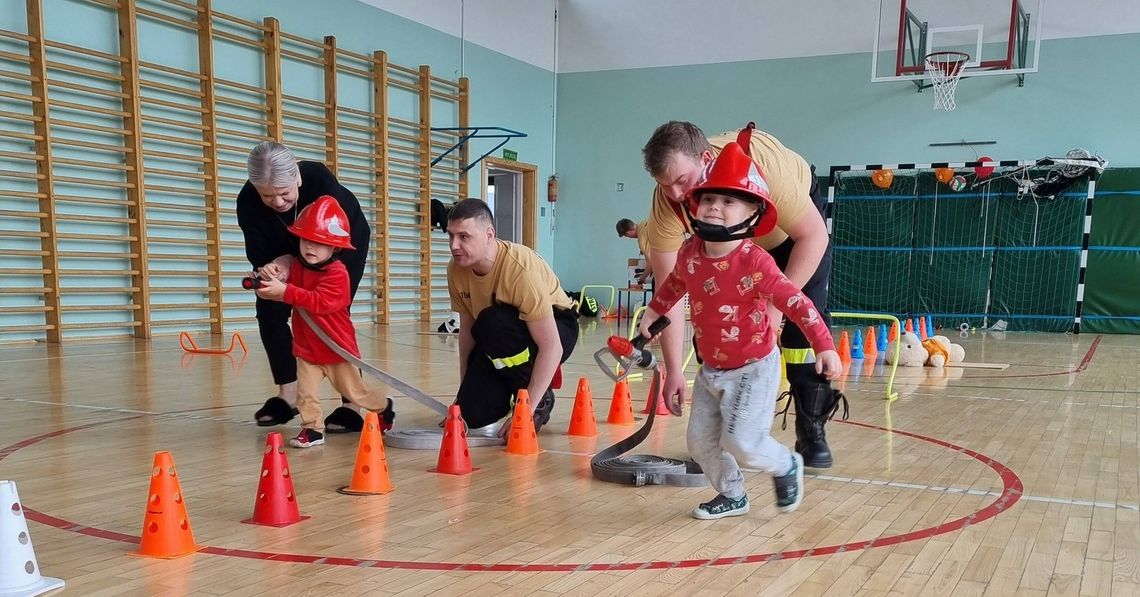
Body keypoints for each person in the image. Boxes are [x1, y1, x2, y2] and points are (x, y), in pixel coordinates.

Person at [638, 141, 841, 519]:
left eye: (730, 201)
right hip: (711, 370)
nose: (715, 206)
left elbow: (798, 303)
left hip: (754, 367)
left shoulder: (756, 262)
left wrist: (825, 346)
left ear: (754, 211)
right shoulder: (689, 253)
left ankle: (785, 464)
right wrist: (654, 311)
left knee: (743, 443)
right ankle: (733, 494)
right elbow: (674, 285)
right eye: (709, 198)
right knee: (699, 443)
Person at [237, 140, 387, 433]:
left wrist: (292, 267)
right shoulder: (248, 202)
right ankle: (288, 394)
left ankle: (351, 406)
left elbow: (326, 243)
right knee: (268, 309)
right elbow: (261, 253)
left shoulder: (319, 181)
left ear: (298, 178)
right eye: (267, 196)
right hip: (290, 251)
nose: (278, 203)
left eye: (284, 193)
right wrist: (273, 270)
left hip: (338, 244)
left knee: (331, 315)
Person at [252, 196, 394, 448]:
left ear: (335, 248)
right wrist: (269, 274)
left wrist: (283, 292)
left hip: (336, 349)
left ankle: (384, 406)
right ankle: (312, 429)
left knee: (356, 394)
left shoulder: (338, 275)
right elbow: (284, 279)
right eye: (306, 240)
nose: (310, 247)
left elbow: (318, 302)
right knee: (306, 394)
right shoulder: (297, 266)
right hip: (308, 350)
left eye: (319, 243)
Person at [445, 198, 579, 437]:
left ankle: (539, 399)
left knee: (492, 323)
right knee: (472, 414)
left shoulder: (519, 269)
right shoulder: (456, 270)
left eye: (464, 237)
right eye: (451, 236)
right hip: (504, 336)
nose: (454, 245)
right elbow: (466, 331)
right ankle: (515, 389)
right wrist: (463, 392)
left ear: (489, 234)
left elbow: (552, 347)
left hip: (558, 327)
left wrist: (525, 411)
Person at [615, 218, 653, 285]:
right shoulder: (645, 222)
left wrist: (642, 278)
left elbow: (651, 263)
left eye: (626, 236)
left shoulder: (642, 241)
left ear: (628, 233)